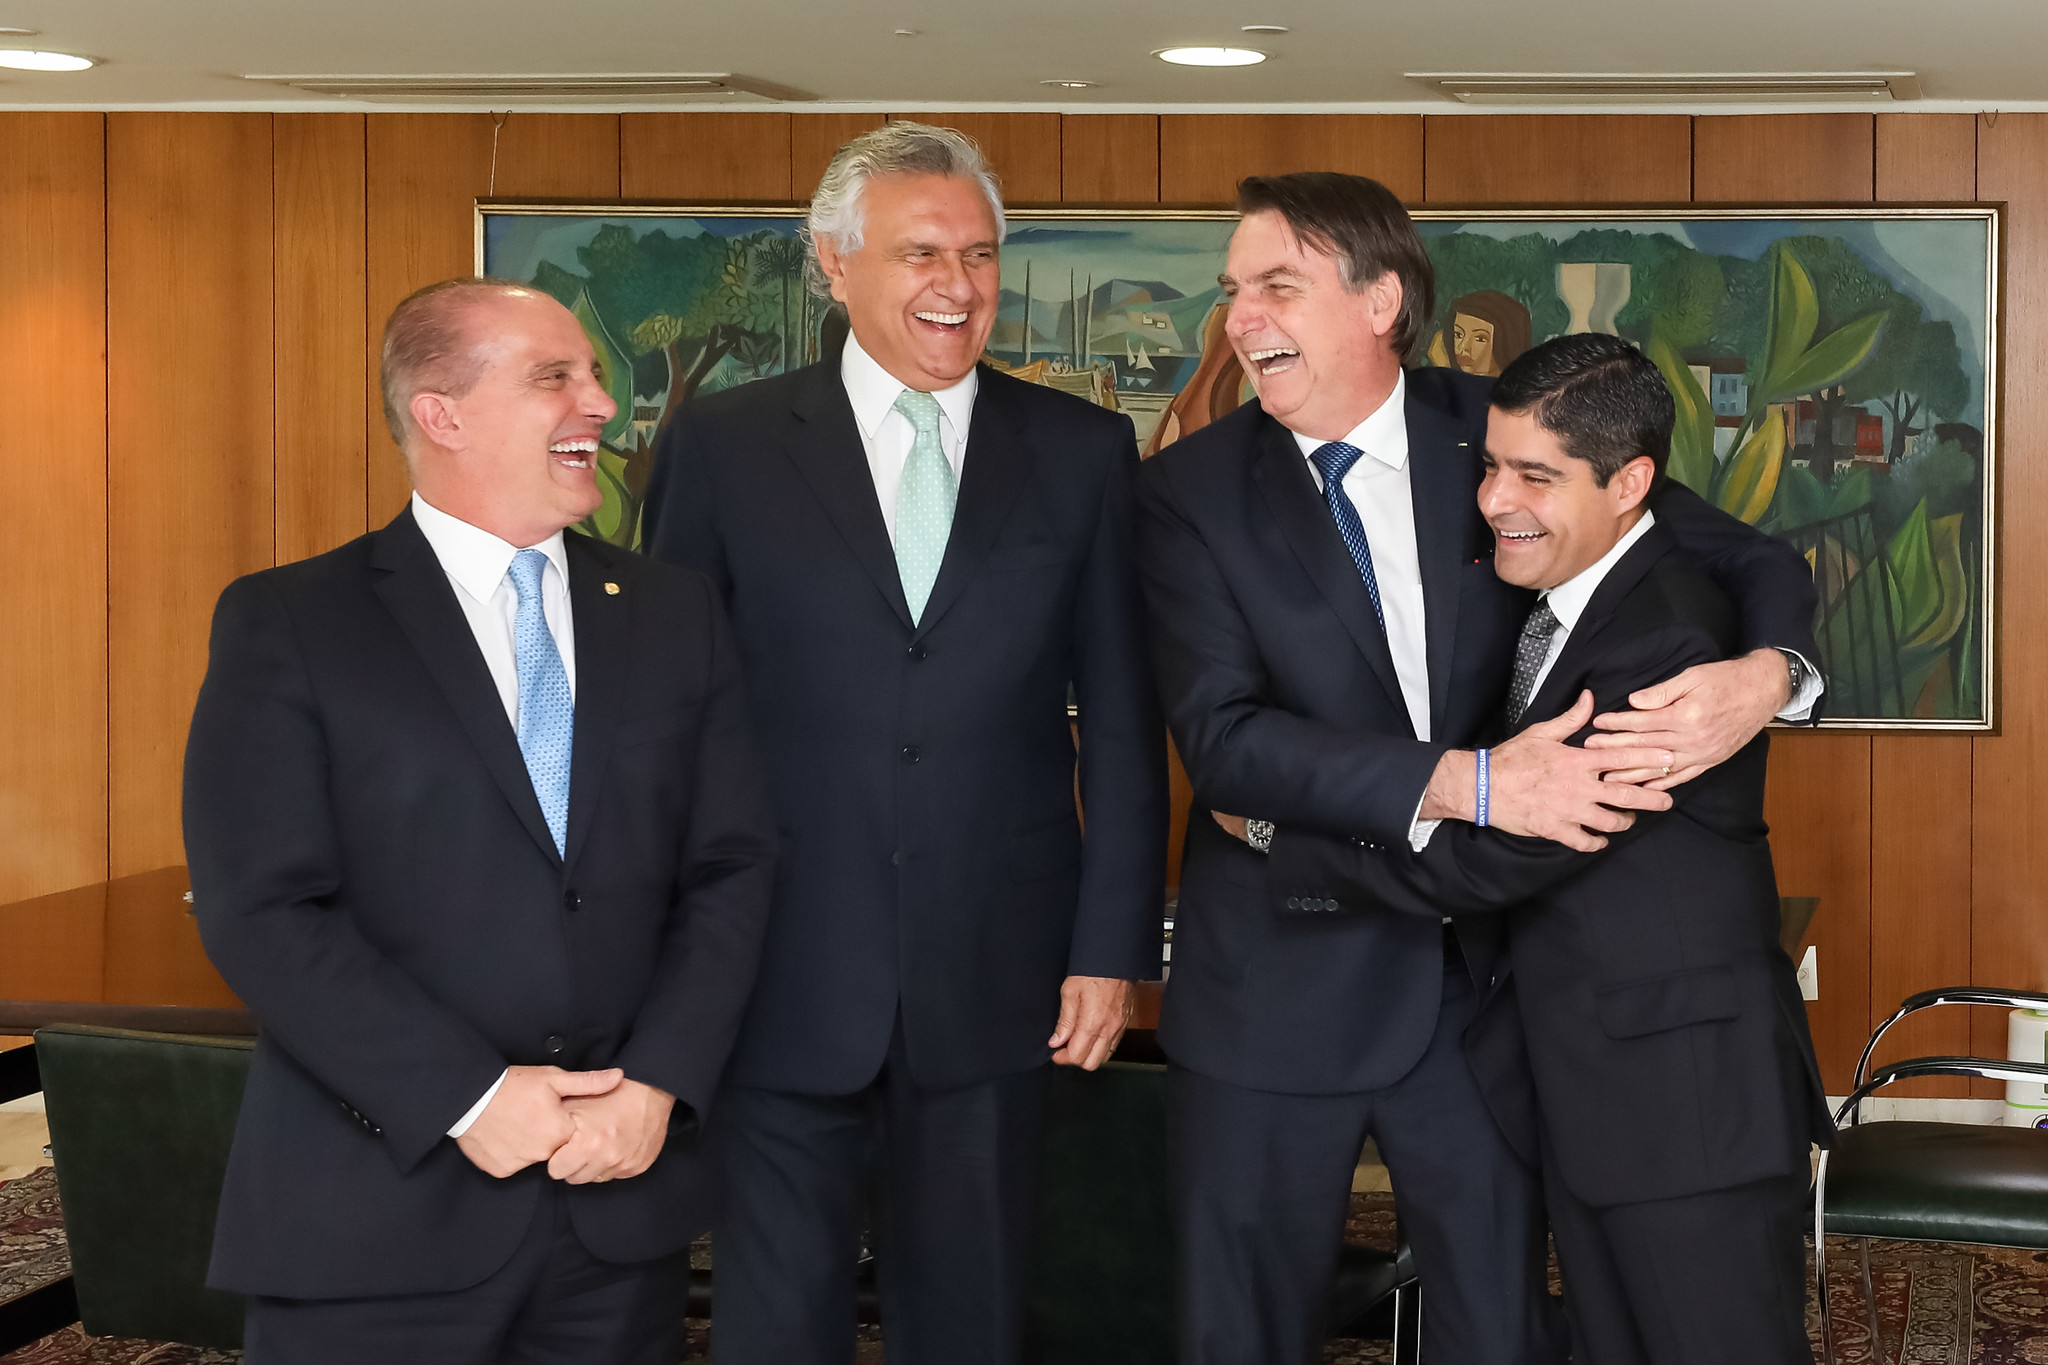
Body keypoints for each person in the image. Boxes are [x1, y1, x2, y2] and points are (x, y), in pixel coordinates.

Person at [1134, 172, 1823, 1365]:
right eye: (1232, 289)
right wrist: (1465, 782)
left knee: (1499, 1329)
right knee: (1235, 1331)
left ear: (1379, 300)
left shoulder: (1500, 438)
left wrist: (1775, 672)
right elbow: (1223, 738)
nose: (1237, 318)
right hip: (1272, 991)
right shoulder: (1184, 494)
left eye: (1275, 286)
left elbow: (1726, 543)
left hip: (1487, 1006)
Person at [640, 123, 1166, 1365]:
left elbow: (1127, 719)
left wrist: (1111, 948)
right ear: (834, 265)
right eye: (920, 252)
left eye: (979, 255)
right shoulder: (724, 445)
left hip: (1001, 972)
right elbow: (661, 718)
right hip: (775, 965)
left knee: (971, 1317)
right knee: (775, 1320)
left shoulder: (1083, 452)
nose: (957, 285)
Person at [184, 278, 777, 1364]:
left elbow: (731, 867)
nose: (600, 404)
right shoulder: (291, 622)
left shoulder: (671, 611)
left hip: (615, 1213)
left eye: (594, 374)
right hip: (375, 1216)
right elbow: (261, 908)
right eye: (555, 376)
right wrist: (467, 1097)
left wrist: (657, 1085)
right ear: (439, 413)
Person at [1267, 332, 1831, 1364]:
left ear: (1630, 485)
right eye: (1489, 467)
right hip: (1599, 1095)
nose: (1493, 500)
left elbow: (1501, 858)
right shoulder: (1567, 602)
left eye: (1533, 476)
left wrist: (1277, 834)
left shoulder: (1661, 644)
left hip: (1680, 1111)